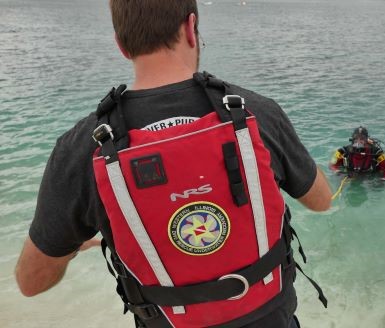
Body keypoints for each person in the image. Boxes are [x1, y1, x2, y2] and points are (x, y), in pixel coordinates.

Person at [15, 1, 332, 327]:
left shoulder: (82, 148)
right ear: (190, 28)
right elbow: (321, 201)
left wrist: (72, 245)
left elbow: (30, 282)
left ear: (121, 46)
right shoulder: (258, 114)